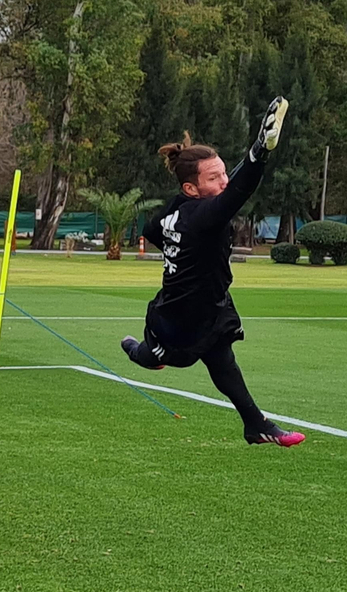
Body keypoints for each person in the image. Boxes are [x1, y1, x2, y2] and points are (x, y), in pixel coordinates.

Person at [119, 99, 305, 447]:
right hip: (177, 319)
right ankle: (133, 349)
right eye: (213, 177)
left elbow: (152, 228)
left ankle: (256, 425)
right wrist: (259, 152)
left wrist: (179, 250)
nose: (222, 181)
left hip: (211, 307)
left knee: (223, 362)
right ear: (191, 189)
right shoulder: (203, 217)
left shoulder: (182, 208)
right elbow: (238, 191)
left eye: (222, 172)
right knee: (153, 356)